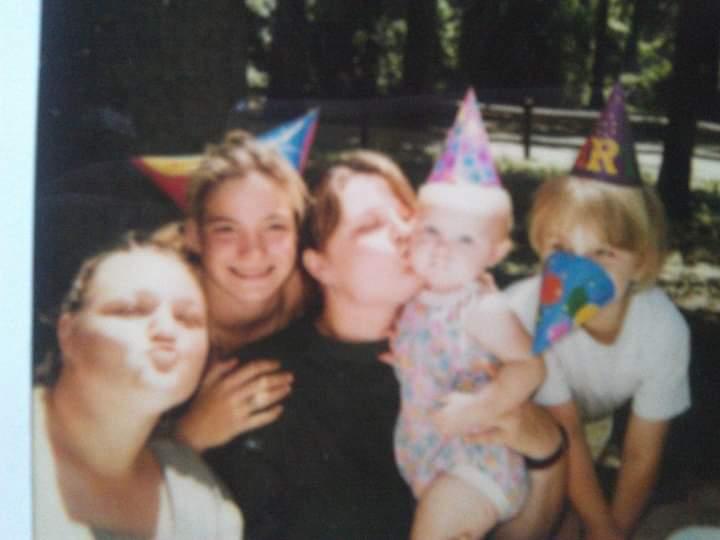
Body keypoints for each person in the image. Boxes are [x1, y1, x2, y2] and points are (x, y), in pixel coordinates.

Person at [203, 149, 567, 540]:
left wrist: (548, 451)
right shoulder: (263, 387)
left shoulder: (470, 352)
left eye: (410, 217)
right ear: (320, 266)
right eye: (371, 224)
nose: (405, 232)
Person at [506, 85, 691, 540]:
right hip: (508, 414)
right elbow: (563, 430)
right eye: (562, 248)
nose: (578, 272)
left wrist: (612, 532)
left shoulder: (663, 329)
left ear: (641, 263)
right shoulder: (529, 315)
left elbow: (642, 454)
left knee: (582, 516)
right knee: (541, 516)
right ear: (540, 246)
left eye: (603, 252)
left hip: (588, 425)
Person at [389, 90, 545, 539]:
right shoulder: (417, 298)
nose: (442, 248)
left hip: (475, 456)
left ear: (494, 253)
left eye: (465, 240)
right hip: (430, 454)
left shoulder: (481, 308)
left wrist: (483, 405)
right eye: (432, 231)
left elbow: (531, 365)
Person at [33, 236, 243, 539]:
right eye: (132, 310)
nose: (167, 330)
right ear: (68, 333)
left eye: (188, 318)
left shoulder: (205, 505)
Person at [161, 130, 313, 451]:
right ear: (194, 237)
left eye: (274, 227)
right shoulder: (161, 315)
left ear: (297, 233)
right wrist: (188, 435)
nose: (253, 251)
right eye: (227, 229)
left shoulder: (319, 295)